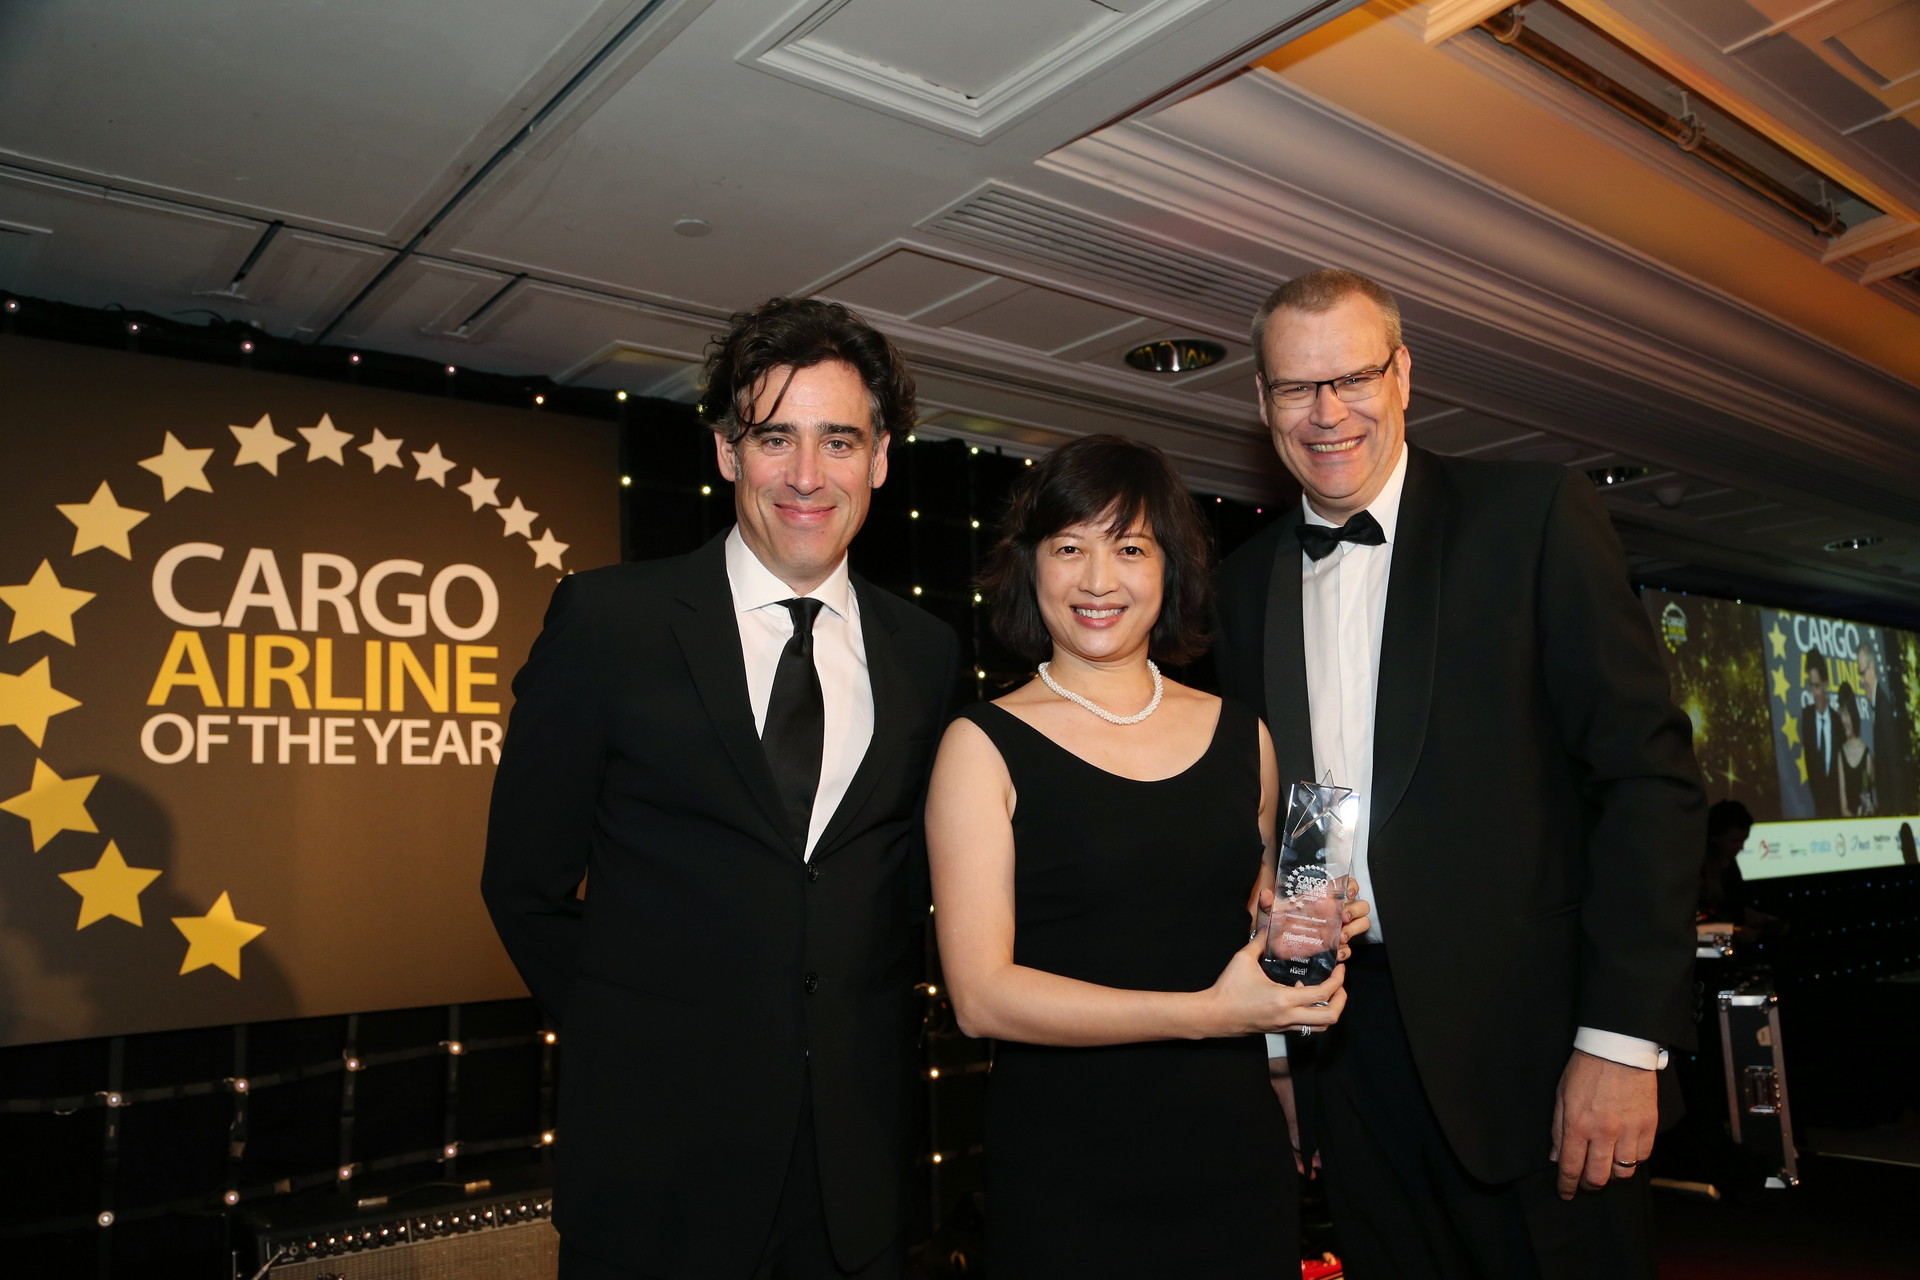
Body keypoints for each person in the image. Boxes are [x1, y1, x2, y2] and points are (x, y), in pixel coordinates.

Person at [1214, 269, 1704, 1280]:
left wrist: (1621, 1037)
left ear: (1403, 375)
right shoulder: (1241, 580)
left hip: (1538, 1050)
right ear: (1262, 403)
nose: (1327, 412)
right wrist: (1280, 1043)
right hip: (1346, 1054)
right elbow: (1283, 826)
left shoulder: (1531, 517)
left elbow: (1645, 778)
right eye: (1297, 388)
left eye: (1351, 376)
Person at [482, 298, 961, 1280]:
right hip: (659, 1168)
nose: (806, 474)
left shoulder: (927, 649)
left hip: (854, 1175)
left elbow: (904, 885)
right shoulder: (609, 619)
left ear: (879, 458)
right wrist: (640, 1037)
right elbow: (522, 882)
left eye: (839, 439)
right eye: (774, 436)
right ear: (726, 451)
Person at [925, 435, 1369, 1279]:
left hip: (1234, 1152)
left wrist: (1303, 939)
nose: (1099, 580)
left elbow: (1250, 930)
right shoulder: (981, 745)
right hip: (1068, 1168)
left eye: (1130, 547)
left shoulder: (1248, 738)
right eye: (1069, 548)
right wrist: (1210, 1013)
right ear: (1033, 568)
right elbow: (982, 997)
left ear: (1170, 570)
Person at [1801, 652, 1840, 819]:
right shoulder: (1807, 718)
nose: (1814, 692)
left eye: (1817, 686)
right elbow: (1811, 765)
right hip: (1818, 811)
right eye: (1811, 686)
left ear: (1826, 684)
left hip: (1838, 811)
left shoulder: (1838, 722)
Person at [1835, 684, 1876, 817]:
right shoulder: (1841, 755)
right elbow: (1843, 808)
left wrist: (1871, 809)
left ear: (1853, 714)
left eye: (1846, 714)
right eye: (1842, 714)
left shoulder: (1867, 755)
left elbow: (1878, 798)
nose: (1844, 720)